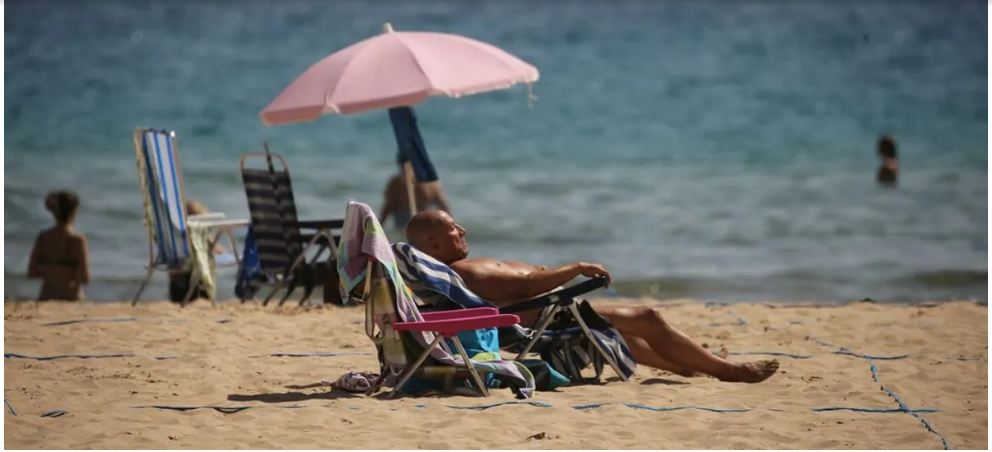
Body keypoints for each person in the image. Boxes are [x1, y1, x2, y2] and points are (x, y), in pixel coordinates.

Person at [404, 210, 780, 383]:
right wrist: (575, 268)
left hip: (549, 311)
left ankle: (685, 365)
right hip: (547, 317)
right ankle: (730, 372)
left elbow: (520, 286)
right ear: (435, 243)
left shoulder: (454, 269)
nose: (463, 229)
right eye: (454, 228)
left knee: (625, 330)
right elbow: (521, 289)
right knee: (647, 317)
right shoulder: (464, 271)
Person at [28, 190, 90, 301]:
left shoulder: (43, 237)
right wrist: (67, 273)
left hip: (46, 296)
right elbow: (84, 278)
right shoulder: (77, 240)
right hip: (71, 297)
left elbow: (31, 273)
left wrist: (51, 272)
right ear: (74, 211)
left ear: (54, 212)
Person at [379, 170, 451, 230]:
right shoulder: (430, 182)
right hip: (424, 222)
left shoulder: (397, 182)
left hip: (404, 224)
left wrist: (378, 229)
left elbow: (388, 207)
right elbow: (443, 206)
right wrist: (450, 225)